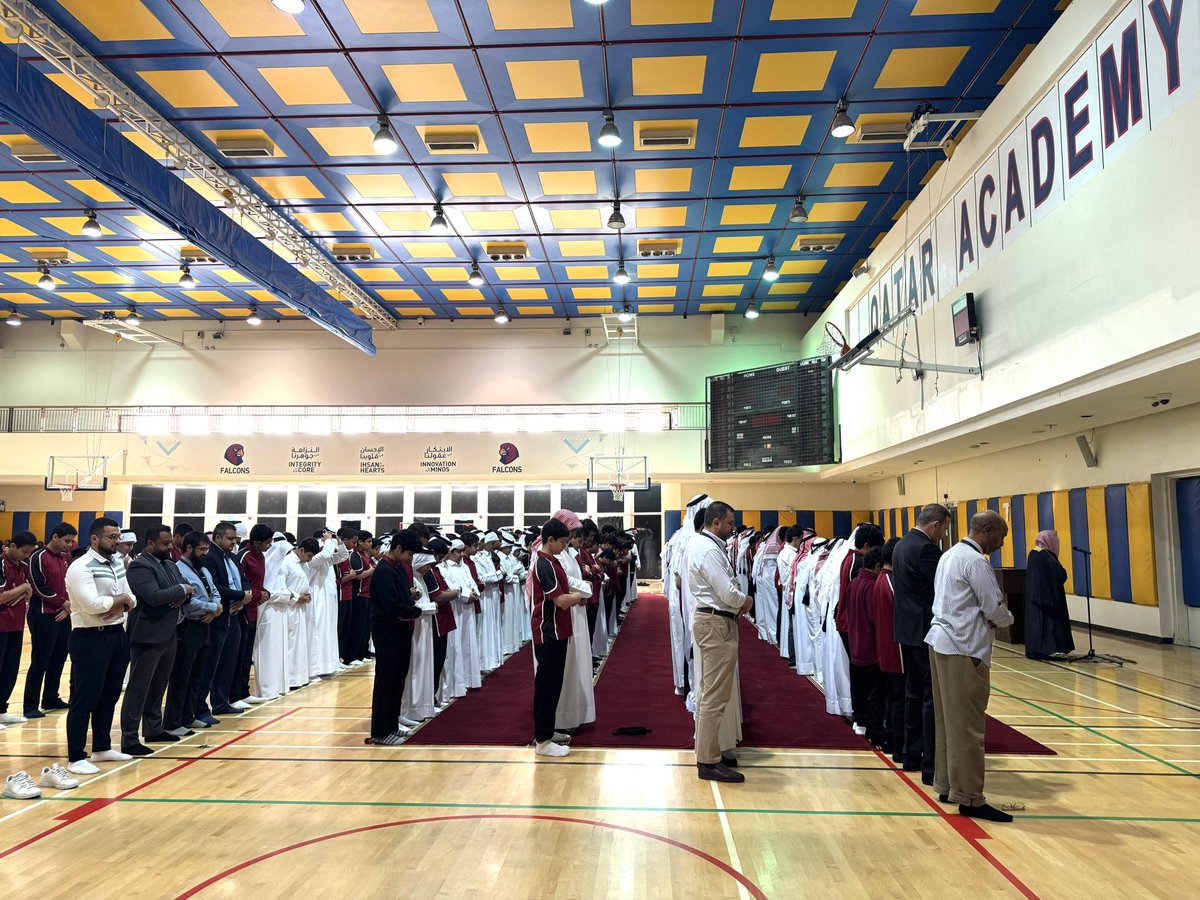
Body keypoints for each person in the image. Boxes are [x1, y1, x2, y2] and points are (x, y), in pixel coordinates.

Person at [926, 510, 1015, 823]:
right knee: (968, 726)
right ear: (987, 531)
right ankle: (970, 797)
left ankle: (947, 784)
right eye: (1000, 537)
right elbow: (993, 607)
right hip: (964, 648)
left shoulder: (948, 555)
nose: (1001, 544)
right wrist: (1009, 620)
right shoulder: (977, 562)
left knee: (947, 721)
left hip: (939, 643)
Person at [63, 518, 137, 775]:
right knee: (85, 697)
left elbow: (132, 597)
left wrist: (120, 602)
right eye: (112, 537)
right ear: (95, 538)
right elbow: (92, 605)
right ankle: (75, 756)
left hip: (117, 634)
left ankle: (102, 747)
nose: (117, 541)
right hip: (89, 638)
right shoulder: (80, 567)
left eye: (118, 536)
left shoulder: (117, 562)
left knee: (110, 694)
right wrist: (121, 601)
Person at [689, 501, 752, 784]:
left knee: (709, 695)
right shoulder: (707, 549)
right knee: (713, 697)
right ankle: (708, 761)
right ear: (715, 523)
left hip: (713, 620)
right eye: (729, 523)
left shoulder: (705, 545)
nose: (732, 527)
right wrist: (746, 601)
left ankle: (708, 754)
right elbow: (727, 592)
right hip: (716, 621)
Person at [892, 503, 950, 785]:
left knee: (913, 694)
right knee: (929, 697)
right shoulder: (926, 549)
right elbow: (943, 586)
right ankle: (930, 763)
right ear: (935, 525)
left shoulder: (902, 544)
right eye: (944, 529)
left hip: (905, 628)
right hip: (923, 629)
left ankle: (910, 753)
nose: (943, 536)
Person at [122, 525, 192, 755]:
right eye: (165, 543)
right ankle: (129, 738)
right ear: (150, 543)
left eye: (171, 542)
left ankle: (153, 728)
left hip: (170, 630)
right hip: (147, 635)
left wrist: (180, 592)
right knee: (138, 688)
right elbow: (154, 597)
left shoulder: (170, 564)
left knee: (159, 685)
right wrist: (180, 590)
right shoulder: (140, 566)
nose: (170, 546)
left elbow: (188, 591)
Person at [529, 517, 586, 758]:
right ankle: (542, 740)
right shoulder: (543, 564)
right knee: (546, 687)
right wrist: (579, 596)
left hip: (558, 630)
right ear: (549, 540)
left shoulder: (554, 561)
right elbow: (561, 600)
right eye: (562, 541)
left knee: (554, 685)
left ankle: (548, 731)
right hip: (548, 631)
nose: (565, 545)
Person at [368, 529, 423, 745]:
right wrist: (418, 611)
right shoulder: (383, 570)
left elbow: (400, 596)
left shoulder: (397, 568)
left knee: (398, 679)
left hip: (401, 631)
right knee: (386, 681)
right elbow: (391, 606)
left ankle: (391, 725)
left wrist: (411, 597)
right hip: (387, 632)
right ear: (398, 548)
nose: (410, 559)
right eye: (409, 554)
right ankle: (380, 732)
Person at [165, 532, 222, 736]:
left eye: (207, 549)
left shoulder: (204, 570)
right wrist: (211, 608)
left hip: (205, 624)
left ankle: (189, 716)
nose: (205, 553)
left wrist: (214, 610)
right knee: (182, 674)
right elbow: (188, 602)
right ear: (188, 548)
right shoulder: (178, 570)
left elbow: (215, 593)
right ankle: (173, 720)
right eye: (202, 549)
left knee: (198, 673)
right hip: (188, 626)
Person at [198, 522, 252, 723]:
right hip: (218, 615)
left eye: (235, 538)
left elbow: (244, 579)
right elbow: (216, 587)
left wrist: (245, 594)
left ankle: (221, 702)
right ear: (218, 538)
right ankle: (200, 707)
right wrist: (239, 596)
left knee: (229, 660)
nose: (234, 541)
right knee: (211, 664)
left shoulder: (233, 557)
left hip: (235, 613)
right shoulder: (210, 557)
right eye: (230, 538)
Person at [25, 522, 77, 719]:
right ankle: (30, 705)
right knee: (41, 659)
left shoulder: (65, 557)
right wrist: (63, 603)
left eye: (71, 541)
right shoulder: (38, 557)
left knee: (59, 657)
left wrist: (67, 605)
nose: (69, 545)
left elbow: (68, 584)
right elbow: (39, 586)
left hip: (63, 613)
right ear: (54, 537)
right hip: (43, 615)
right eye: (66, 541)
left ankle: (50, 697)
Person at [846, 546, 884, 748]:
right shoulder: (871, 586)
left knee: (858, 688)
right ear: (878, 566)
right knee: (874, 692)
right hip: (870, 646)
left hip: (855, 643)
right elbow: (875, 617)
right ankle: (874, 731)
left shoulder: (854, 583)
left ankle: (859, 721)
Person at [870, 538, 905, 761]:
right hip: (895, 650)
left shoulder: (880, 580)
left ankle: (893, 742)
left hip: (886, 648)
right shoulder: (888, 581)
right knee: (898, 699)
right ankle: (896, 743)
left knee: (893, 699)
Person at [232, 524, 274, 706]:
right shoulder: (244, 556)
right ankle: (233, 695)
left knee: (247, 653)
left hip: (254, 610)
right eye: (267, 543)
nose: (269, 546)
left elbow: (258, 582)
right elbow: (239, 582)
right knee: (238, 653)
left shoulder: (261, 556)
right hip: (242, 609)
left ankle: (243, 691)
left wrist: (265, 592)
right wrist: (257, 594)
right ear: (256, 542)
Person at [1, 531, 37, 729]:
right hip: (1, 625)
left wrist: (24, 589)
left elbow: (27, 592)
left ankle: (1, 709)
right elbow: (1, 597)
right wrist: (23, 588)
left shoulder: (23, 567)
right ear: (12, 546)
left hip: (16, 625)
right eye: (25, 551)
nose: (27, 555)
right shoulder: (1, 563)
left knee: (10, 670)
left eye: (30, 552)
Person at [1024, 530, 1074, 660]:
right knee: (1050, 625)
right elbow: (1060, 574)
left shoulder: (1033, 553)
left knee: (1037, 625)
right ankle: (1052, 649)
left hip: (1035, 598)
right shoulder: (1047, 555)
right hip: (1049, 598)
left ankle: (1037, 650)